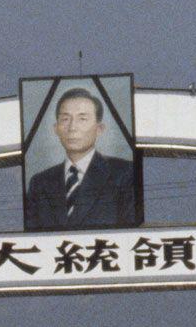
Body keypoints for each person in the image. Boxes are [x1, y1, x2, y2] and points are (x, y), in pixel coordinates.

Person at [22, 86, 139, 230]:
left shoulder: (125, 174)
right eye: (65, 119)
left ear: (99, 129)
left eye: (82, 119)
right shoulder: (39, 183)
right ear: (56, 128)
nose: (72, 127)